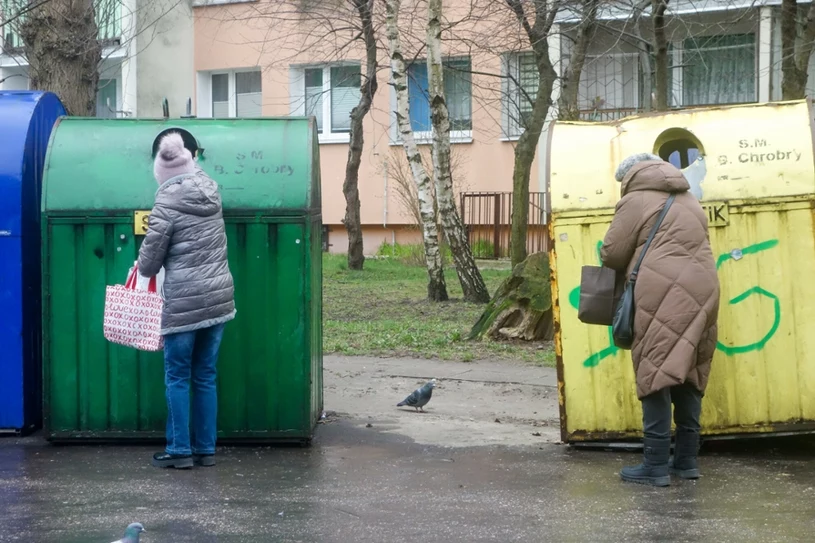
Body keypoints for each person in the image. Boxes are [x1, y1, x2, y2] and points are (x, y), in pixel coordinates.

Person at [600, 153, 719, 487]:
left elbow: (611, 253)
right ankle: (686, 461)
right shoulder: (689, 197)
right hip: (705, 288)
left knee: (656, 369)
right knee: (690, 372)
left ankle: (654, 465)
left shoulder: (636, 199)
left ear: (630, 175)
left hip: (662, 290)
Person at [138, 132, 236, 469]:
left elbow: (150, 264)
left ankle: (180, 450)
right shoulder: (211, 191)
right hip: (219, 299)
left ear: (161, 174)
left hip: (183, 304)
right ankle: (205, 450)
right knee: (205, 375)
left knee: (178, 376)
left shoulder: (165, 205)